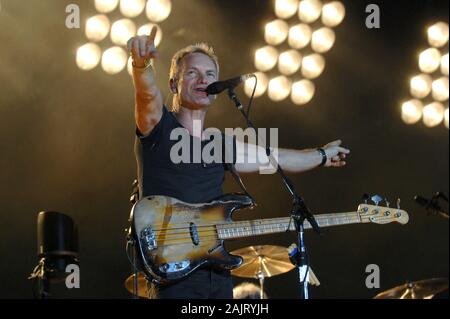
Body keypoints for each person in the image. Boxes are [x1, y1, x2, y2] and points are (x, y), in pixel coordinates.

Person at [127, 27, 350, 299]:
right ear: (174, 83)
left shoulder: (220, 145)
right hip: (173, 278)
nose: (203, 80)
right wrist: (140, 65)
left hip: (217, 275)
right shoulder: (159, 127)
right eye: (192, 73)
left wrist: (322, 155)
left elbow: (275, 158)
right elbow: (147, 94)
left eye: (210, 75)